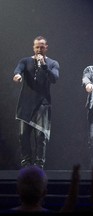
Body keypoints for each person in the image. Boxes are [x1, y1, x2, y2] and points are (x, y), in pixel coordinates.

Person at [12, 36, 60, 169]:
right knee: (23, 135)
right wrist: (17, 75)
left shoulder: (53, 63)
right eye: (37, 47)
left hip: (42, 105)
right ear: (33, 48)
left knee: (40, 136)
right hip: (26, 104)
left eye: (42, 47)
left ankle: (39, 164)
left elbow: (54, 78)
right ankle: (26, 163)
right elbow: (18, 69)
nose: (39, 49)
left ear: (46, 48)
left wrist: (44, 65)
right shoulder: (25, 61)